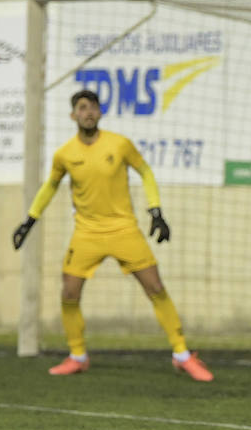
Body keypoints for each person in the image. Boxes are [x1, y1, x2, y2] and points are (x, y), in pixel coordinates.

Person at [11, 89, 213, 382]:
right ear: (73, 115)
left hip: (124, 229)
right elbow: (50, 187)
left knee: (155, 287)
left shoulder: (119, 144)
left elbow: (145, 172)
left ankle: (182, 355)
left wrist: (155, 211)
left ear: (100, 112)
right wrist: (29, 221)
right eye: (82, 107)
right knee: (68, 292)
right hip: (86, 232)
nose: (88, 112)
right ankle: (77, 355)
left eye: (93, 107)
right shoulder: (64, 154)